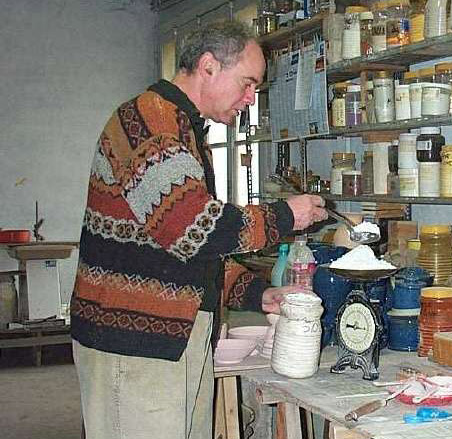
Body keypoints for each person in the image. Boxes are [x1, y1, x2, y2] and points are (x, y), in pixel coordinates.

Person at [70, 20, 327, 439]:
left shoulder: (183, 128)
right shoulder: (150, 122)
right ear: (208, 66)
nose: (251, 98)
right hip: (133, 344)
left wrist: (254, 291)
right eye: (247, 83)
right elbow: (192, 229)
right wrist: (285, 216)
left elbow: (183, 251)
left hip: (172, 338)